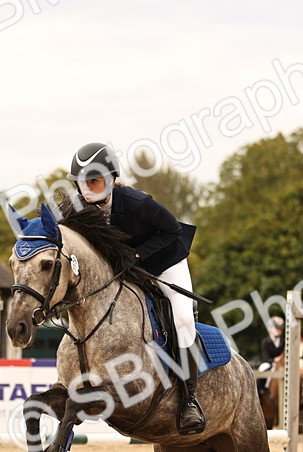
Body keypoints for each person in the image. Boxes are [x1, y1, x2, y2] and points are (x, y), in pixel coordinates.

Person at [68, 142, 204, 435]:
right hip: (124, 268)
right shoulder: (78, 207)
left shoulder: (137, 202)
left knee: (182, 318)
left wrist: (140, 254)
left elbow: (173, 231)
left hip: (165, 260)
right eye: (83, 182)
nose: (88, 188)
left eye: (95, 180)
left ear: (112, 179)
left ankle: (189, 400)